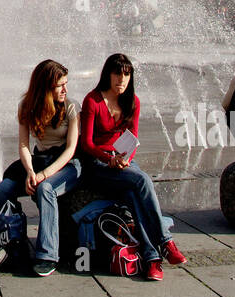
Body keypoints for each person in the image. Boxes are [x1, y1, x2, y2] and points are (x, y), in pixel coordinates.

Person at [79, 53, 186, 281]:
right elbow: (86, 143)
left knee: (133, 195)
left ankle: (152, 259)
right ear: (108, 74)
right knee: (142, 180)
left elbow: (133, 137)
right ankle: (166, 242)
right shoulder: (93, 101)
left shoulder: (133, 101)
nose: (122, 79)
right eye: (117, 74)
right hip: (98, 164)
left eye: (127, 74)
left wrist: (126, 159)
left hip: (123, 162)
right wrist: (110, 160)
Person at [0, 60, 82, 277]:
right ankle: (13, 241)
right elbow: (23, 145)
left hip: (68, 165)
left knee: (45, 189)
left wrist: (43, 176)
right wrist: (31, 171)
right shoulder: (26, 107)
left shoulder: (71, 107)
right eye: (60, 85)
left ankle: (48, 254)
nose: (65, 89)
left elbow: (71, 149)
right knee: (4, 189)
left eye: (66, 84)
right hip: (39, 161)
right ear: (45, 86)